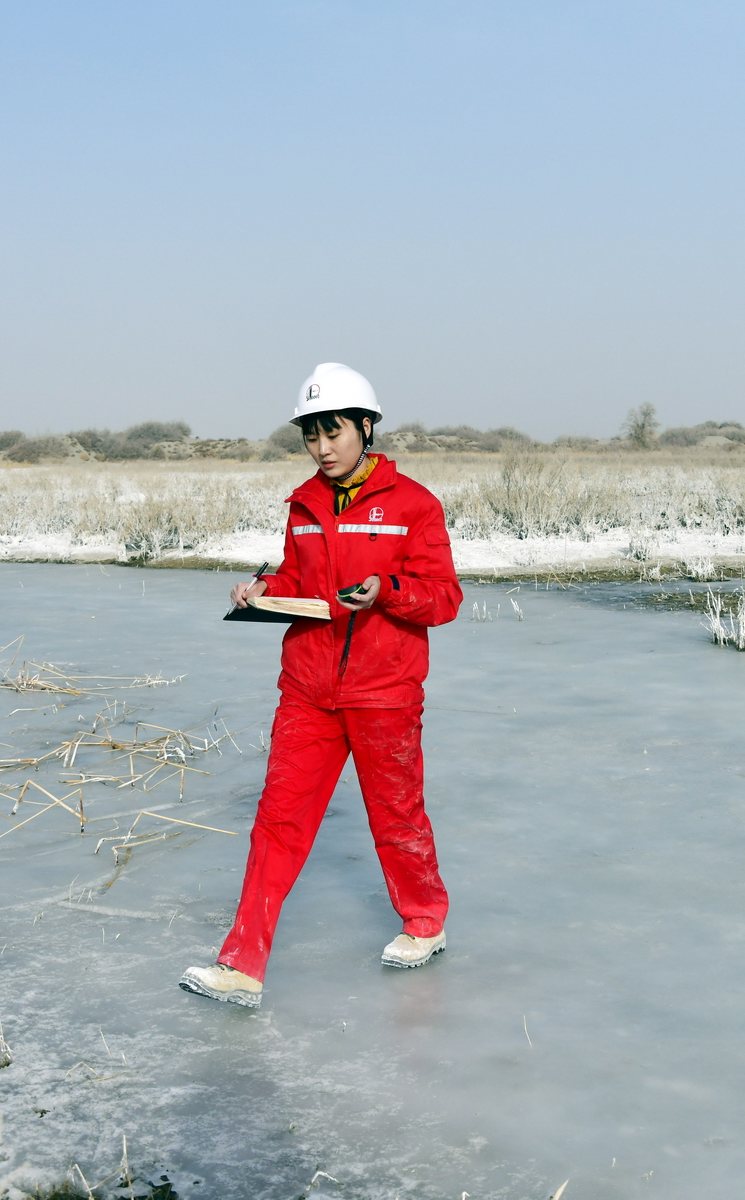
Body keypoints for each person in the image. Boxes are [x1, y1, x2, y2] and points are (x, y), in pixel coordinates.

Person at [180, 363, 463, 1009]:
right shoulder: (303, 505)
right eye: (312, 436)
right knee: (277, 822)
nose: (322, 448)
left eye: (333, 433)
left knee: (396, 817)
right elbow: (300, 585)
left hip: (385, 690)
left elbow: (444, 597)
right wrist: (262, 592)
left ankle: (424, 921)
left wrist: (386, 592)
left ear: (366, 427)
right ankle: (242, 964)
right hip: (307, 689)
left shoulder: (415, 504)